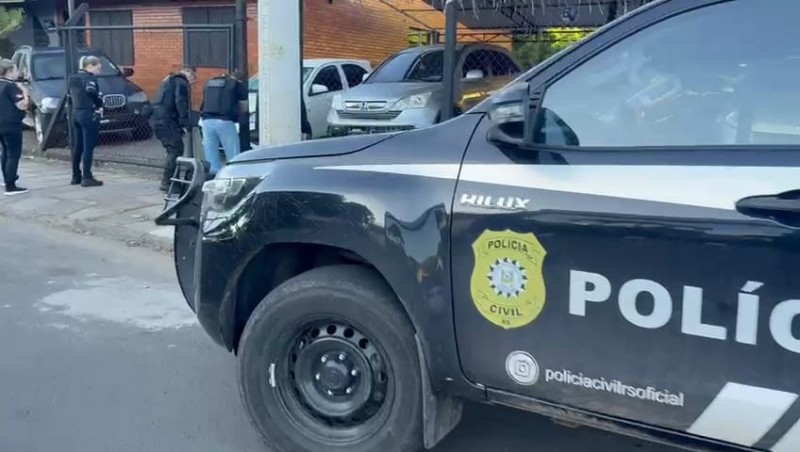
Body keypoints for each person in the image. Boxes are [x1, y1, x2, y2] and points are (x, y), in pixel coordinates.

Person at [151, 67, 195, 191]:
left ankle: (171, 180)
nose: (191, 85)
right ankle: (167, 182)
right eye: (192, 81)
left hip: (157, 119)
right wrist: (185, 121)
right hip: (168, 120)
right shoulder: (181, 82)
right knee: (175, 150)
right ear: (189, 76)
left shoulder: (168, 82)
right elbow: (180, 102)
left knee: (171, 150)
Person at [199, 70, 248, 175]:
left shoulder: (210, 82)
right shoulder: (237, 85)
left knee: (210, 153)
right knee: (232, 152)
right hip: (224, 121)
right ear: (241, 80)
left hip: (206, 120)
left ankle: (214, 176)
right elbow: (244, 107)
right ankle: (233, 174)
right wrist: (243, 120)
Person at [68, 55, 104, 187]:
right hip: (88, 113)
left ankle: (75, 175)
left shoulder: (73, 78)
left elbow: (69, 95)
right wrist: (99, 104)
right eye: (97, 69)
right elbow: (91, 90)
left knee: (78, 146)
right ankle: (87, 177)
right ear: (89, 66)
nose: (99, 72)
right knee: (88, 146)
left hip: (76, 113)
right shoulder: (89, 78)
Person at [0, 59, 29, 195]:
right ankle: (10, 186)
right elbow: (21, 105)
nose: (18, 72)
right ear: (9, 72)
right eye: (16, 69)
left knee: (5, 151)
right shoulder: (11, 86)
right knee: (13, 153)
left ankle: (7, 178)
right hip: (11, 124)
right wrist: (25, 94)